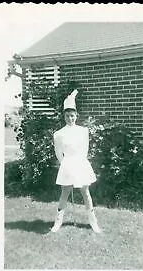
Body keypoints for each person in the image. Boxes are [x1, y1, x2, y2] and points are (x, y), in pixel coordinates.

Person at [50, 89, 101, 233]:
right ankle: (58, 222)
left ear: (76, 116)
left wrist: (79, 163)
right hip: (67, 164)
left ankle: (93, 222)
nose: (70, 118)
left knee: (85, 191)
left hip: (81, 163)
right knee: (65, 191)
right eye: (67, 116)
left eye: (72, 116)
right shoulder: (59, 134)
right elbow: (58, 152)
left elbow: (85, 149)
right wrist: (65, 164)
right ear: (64, 116)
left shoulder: (83, 131)